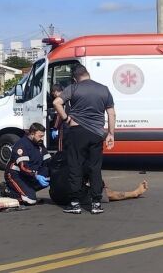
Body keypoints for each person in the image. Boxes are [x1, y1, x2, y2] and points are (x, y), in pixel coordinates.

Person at [52, 66, 115, 215]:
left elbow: (56, 103)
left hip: (77, 131)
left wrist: (66, 118)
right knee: (95, 167)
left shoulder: (73, 88)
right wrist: (111, 133)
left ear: (75, 78)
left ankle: (75, 203)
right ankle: (96, 203)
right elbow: (111, 113)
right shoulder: (103, 89)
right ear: (88, 74)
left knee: (75, 166)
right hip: (97, 133)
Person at [4, 123, 51, 205]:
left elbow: (48, 161)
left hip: (29, 175)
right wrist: (36, 176)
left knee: (51, 175)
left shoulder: (39, 144)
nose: (42, 138)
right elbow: (23, 167)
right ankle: (7, 191)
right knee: (30, 200)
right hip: (15, 174)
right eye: (40, 136)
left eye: (43, 136)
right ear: (32, 134)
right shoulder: (22, 145)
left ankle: (26, 190)